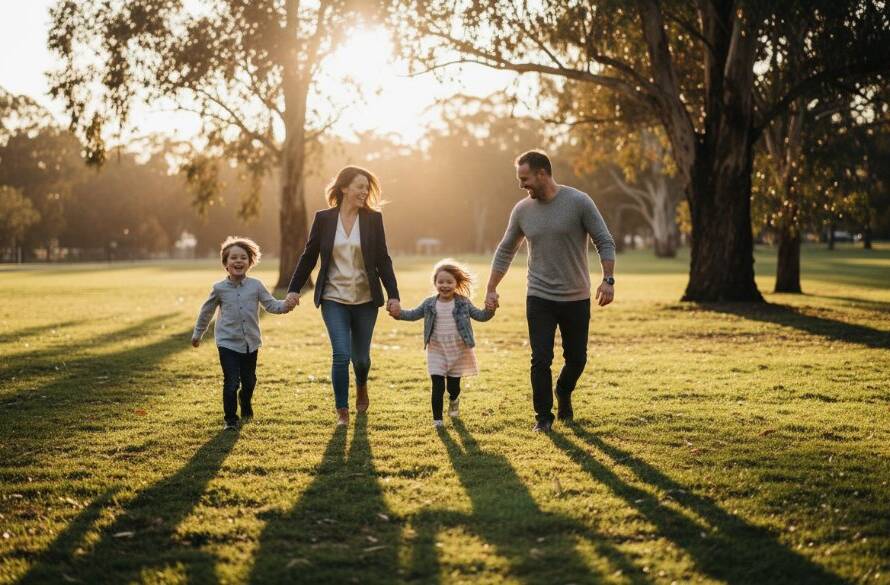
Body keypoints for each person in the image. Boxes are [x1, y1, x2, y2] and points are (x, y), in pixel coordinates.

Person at [485, 150, 616, 432]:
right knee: (540, 358)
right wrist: (491, 288)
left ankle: (564, 390)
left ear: (542, 173)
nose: (522, 185)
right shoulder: (522, 210)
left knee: (577, 358)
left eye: (525, 178)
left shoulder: (579, 202)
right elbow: (506, 249)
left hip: (576, 296)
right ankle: (543, 417)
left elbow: (604, 240)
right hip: (539, 296)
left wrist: (608, 279)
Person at [286, 166, 400, 426]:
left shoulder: (373, 220)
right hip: (333, 297)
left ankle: (361, 384)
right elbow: (309, 257)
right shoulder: (324, 219)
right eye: (360, 186)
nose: (364, 192)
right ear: (344, 188)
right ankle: (342, 411)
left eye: (366, 187)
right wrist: (293, 289)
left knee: (360, 359)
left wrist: (393, 295)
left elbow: (383, 259)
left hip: (365, 299)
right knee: (340, 354)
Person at [192, 236, 294, 430]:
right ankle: (230, 419)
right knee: (231, 381)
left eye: (243, 258)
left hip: (250, 343)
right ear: (226, 263)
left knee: (249, 381)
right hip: (227, 343)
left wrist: (285, 306)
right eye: (233, 258)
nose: (238, 261)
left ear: (249, 262)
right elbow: (207, 311)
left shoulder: (256, 286)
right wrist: (198, 334)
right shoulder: (219, 289)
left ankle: (245, 402)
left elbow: (271, 304)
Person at [389, 259, 495, 428]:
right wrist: (398, 313)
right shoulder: (429, 303)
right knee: (437, 385)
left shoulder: (463, 302)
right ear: (435, 283)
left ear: (456, 283)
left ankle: (454, 400)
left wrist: (491, 308)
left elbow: (481, 316)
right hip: (436, 350)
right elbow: (412, 314)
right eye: (441, 282)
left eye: (449, 282)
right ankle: (437, 421)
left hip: (458, 350)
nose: (444, 285)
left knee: (453, 387)